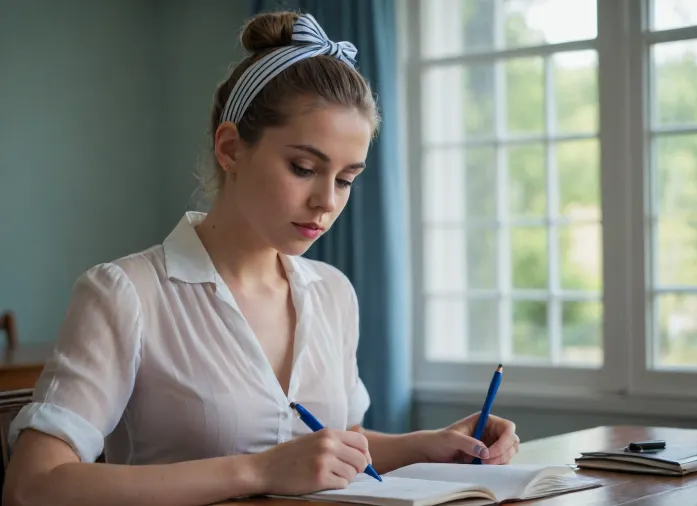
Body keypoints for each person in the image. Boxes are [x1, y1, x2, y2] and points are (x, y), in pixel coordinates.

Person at [3, 11, 519, 506]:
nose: (327, 202)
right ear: (230, 149)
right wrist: (259, 469)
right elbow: (31, 488)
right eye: (303, 167)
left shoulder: (332, 292)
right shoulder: (125, 294)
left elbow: (333, 445)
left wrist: (428, 444)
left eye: (345, 180)